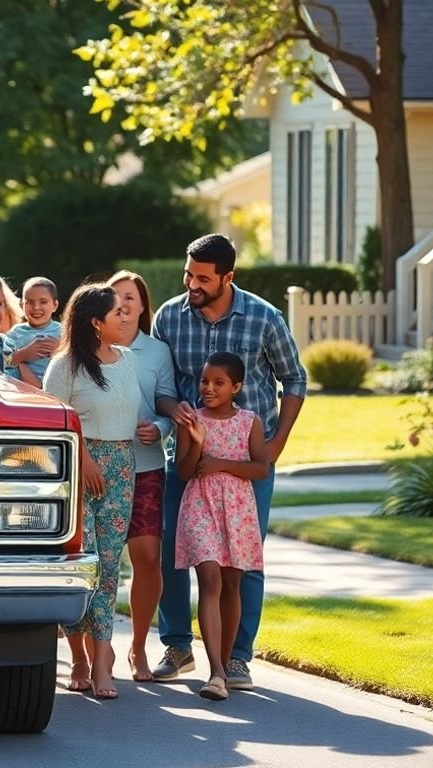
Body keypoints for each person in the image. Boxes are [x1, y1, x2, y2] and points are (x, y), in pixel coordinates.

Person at [151, 234, 307, 691]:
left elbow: (295, 378)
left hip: (246, 463)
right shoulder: (169, 317)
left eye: (203, 278)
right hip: (187, 458)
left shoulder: (263, 317)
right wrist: (171, 409)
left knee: (246, 560)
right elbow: (161, 385)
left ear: (227, 277)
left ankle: (237, 658)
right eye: (188, 274)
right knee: (174, 554)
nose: (192, 284)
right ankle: (178, 646)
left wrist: (276, 443)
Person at [42, 283, 142, 700]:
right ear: (95, 323)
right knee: (82, 563)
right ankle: (79, 655)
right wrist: (83, 458)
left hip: (122, 467)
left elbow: (128, 412)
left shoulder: (129, 360)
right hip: (77, 472)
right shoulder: (64, 366)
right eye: (117, 312)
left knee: (109, 566)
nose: (126, 317)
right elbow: (50, 424)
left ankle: (103, 657)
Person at [174, 352, 268, 701]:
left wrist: (220, 464)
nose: (208, 388)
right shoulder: (191, 420)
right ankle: (214, 671)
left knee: (232, 584)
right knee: (210, 577)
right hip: (200, 505)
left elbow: (261, 468)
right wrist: (198, 443)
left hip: (238, 509)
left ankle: (227, 666)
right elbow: (184, 472)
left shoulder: (250, 421)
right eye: (204, 381)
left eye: (218, 383)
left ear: (236, 387)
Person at [106, 269, 176, 682]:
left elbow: (167, 401)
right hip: (102, 469)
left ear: (142, 304)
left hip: (147, 464)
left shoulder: (157, 352)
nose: (124, 303)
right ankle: (100, 649)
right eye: (116, 296)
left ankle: (137, 648)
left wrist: (162, 429)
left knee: (148, 557)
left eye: (131, 296)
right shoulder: (93, 348)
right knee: (106, 561)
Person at [4, 277, 63, 389]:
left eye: (43, 302)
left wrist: (59, 351)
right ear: (22, 306)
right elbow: (2, 363)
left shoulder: (63, 333)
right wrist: (22, 354)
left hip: (56, 392)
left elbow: (77, 362)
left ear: (55, 305)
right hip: (22, 392)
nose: (36, 307)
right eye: (30, 302)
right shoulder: (15, 334)